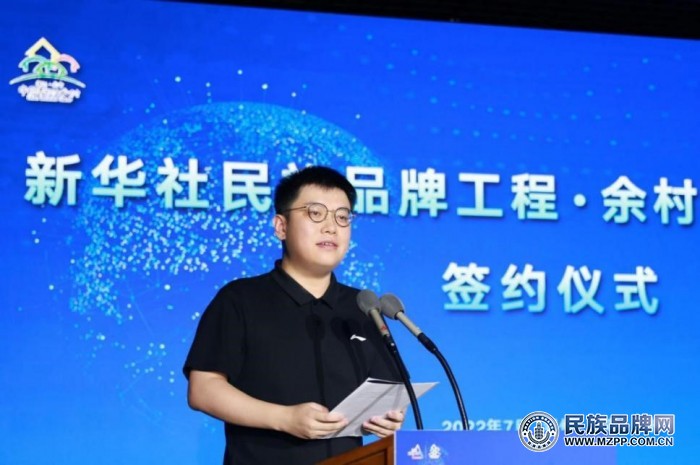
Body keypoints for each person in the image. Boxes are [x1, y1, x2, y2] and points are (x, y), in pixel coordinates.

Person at [183, 165, 405, 465]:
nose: (331, 227)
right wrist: (284, 418)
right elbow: (203, 389)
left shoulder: (363, 306)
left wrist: (387, 417)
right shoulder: (240, 299)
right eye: (316, 213)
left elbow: (388, 392)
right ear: (281, 226)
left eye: (342, 217)